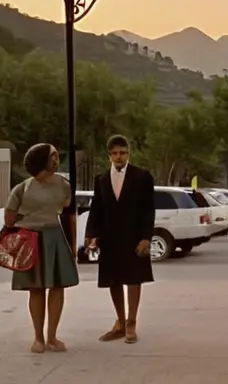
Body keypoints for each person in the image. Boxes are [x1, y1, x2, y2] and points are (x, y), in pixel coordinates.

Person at [5, 143, 79, 354]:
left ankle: (52, 337)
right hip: (31, 239)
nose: (56, 160)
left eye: (56, 155)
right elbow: (8, 219)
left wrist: (72, 246)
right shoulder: (22, 188)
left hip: (55, 236)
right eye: (51, 156)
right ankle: (38, 338)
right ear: (40, 160)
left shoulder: (64, 185)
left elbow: (69, 215)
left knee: (57, 286)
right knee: (36, 288)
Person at [85, 135, 155, 344]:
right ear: (109, 155)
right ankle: (120, 322)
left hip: (134, 237)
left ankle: (132, 322)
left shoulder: (142, 177)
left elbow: (148, 210)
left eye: (122, 153)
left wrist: (145, 237)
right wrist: (91, 236)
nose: (119, 157)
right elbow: (96, 209)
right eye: (115, 153)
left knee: (134, 279)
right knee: (113, 280)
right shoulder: (101, 179)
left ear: (128, 153)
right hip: (110, 238)